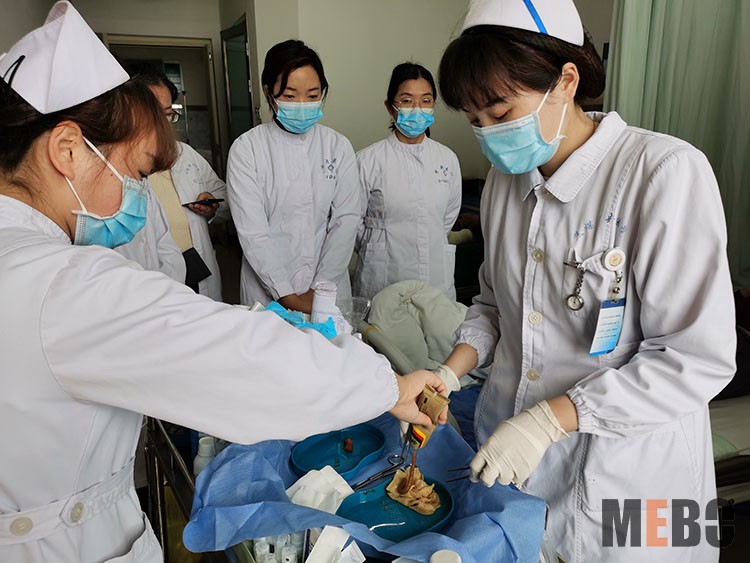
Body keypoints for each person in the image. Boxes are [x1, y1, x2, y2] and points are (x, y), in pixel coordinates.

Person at [0, 4, 446, 561]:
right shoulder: (60, 283)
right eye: (134, 174)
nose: (137, 196)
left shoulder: (26, 258)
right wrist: (388, 386)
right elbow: (236, 356)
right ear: (67, 151)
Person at [435, 0, 735, 561]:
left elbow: (695, 358)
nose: (488, 135)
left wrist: (550, 420)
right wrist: (447, 374)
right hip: (515, 461)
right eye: (474, 120)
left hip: (631, 480)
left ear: (566, 81)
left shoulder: (663, 172)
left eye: (501, 113)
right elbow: (494, 307)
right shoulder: (504, 182)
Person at [226, 39, 360, 313]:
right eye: (289, 96)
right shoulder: (247, 148)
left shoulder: (337, 146)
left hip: (328, 288)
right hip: (267, 292)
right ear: (269, 92)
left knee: (330, 340)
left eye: (312, 96)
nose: (302, 105)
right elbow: (253, 232)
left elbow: (345, 221)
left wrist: (319, 289)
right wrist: (287, 295)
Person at [353, 63, 461, 301]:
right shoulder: (368, 160)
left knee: (436, 323)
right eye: (407, 100)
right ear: (390, 107)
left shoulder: (447, 159)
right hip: (383, 277)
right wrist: (377, 247)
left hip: (435, 278)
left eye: (426, 100)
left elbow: (447, 218)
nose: (417, 108)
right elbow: (354, 222)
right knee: (381, 322)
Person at [133, 70, 229, 300]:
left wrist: (211, 206)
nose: (162, 123)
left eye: (167, 114)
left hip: (196, 261)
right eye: (154, 113)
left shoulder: (185, 154)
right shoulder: (124, 164)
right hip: (153, 274)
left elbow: (224, 195)